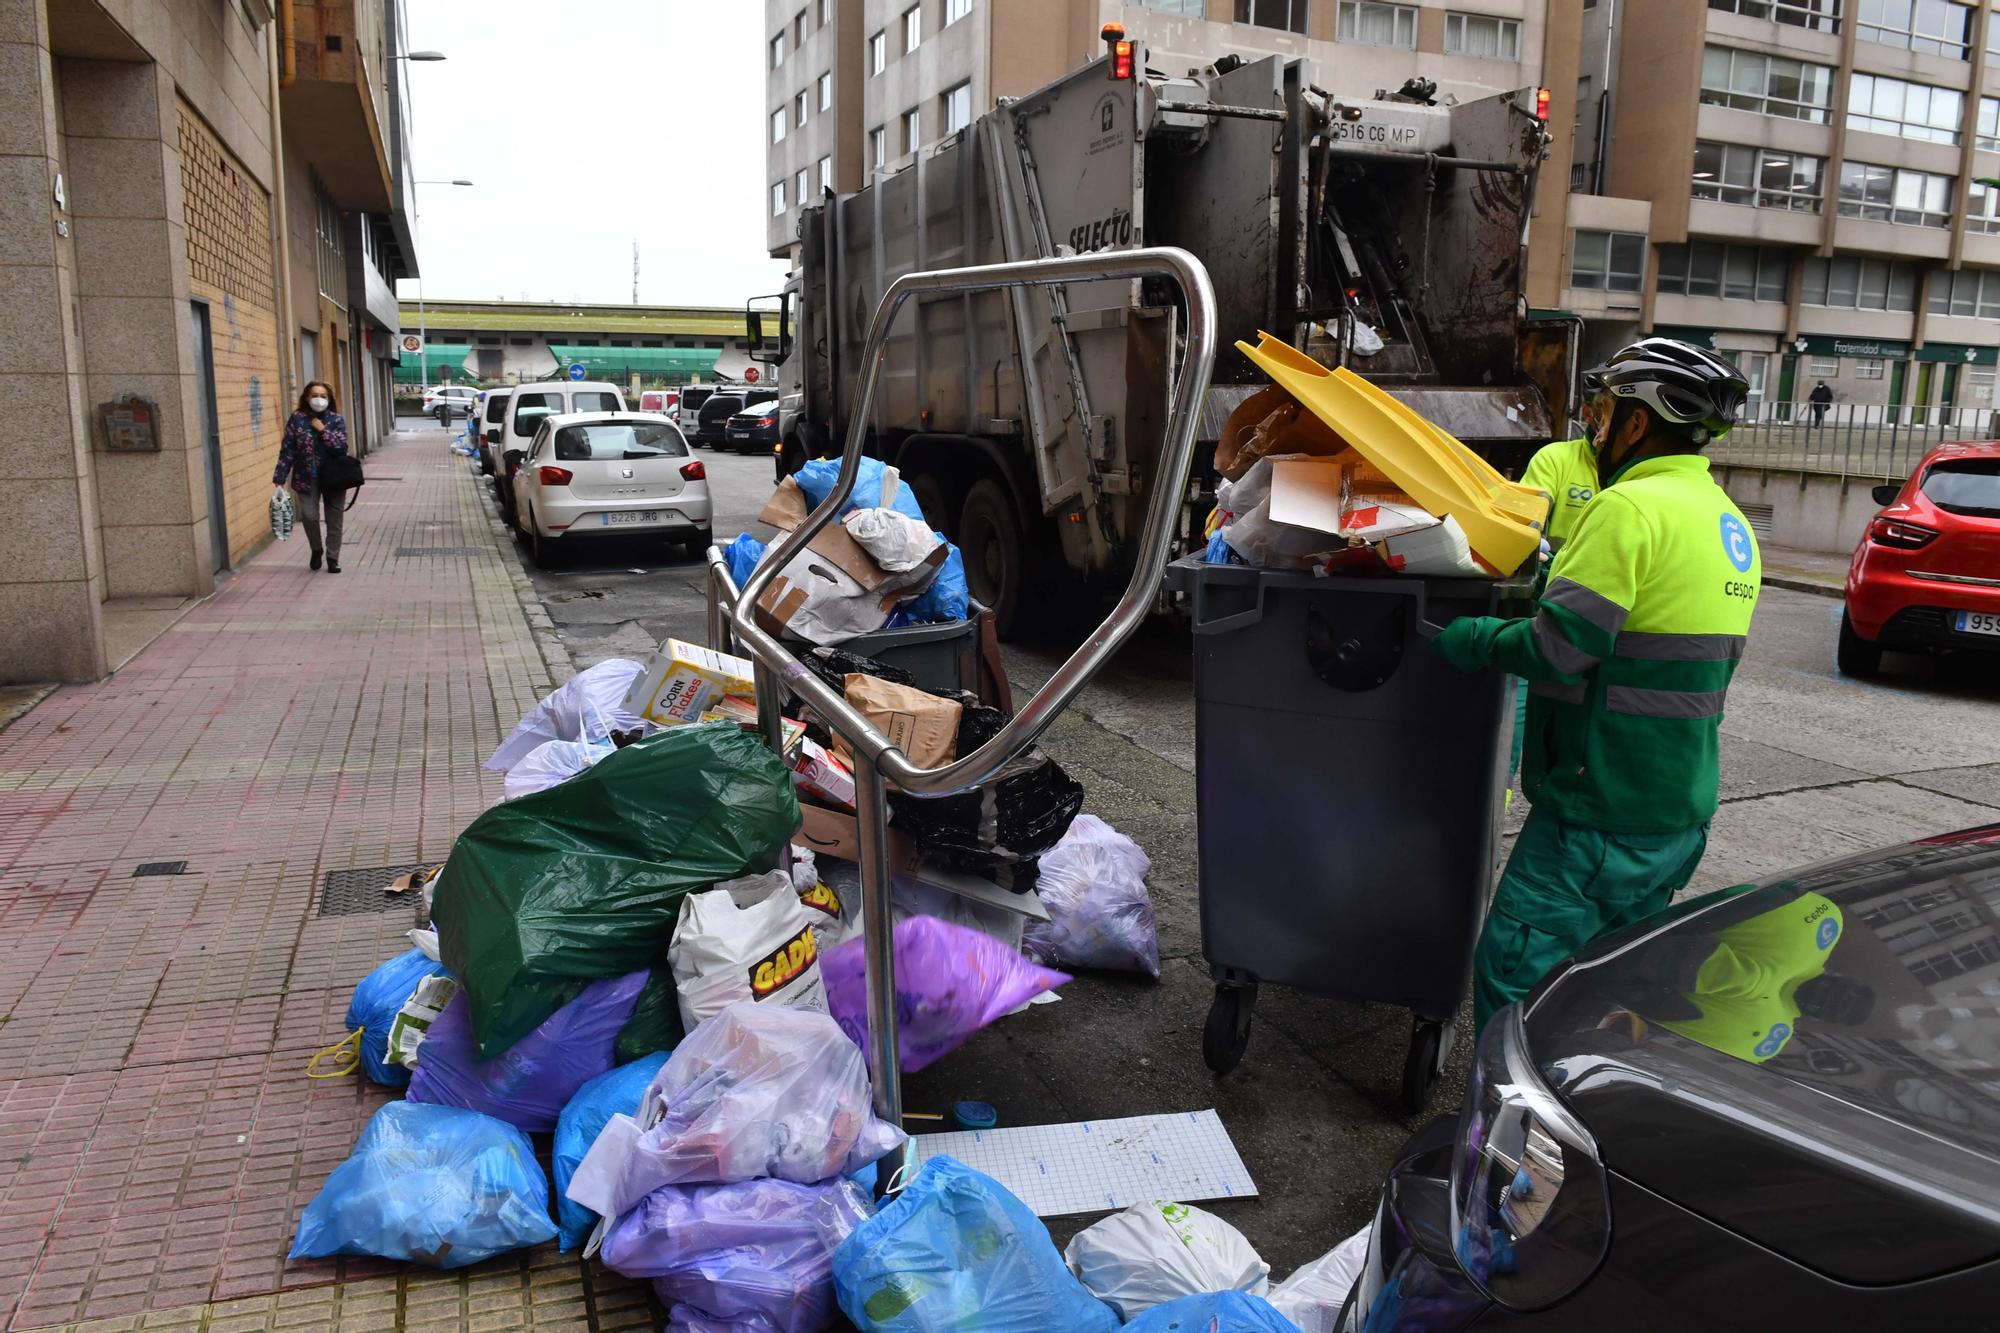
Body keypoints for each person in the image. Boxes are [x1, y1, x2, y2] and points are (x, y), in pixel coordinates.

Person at [1430, 337, 1760, 1032]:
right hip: (1678, 811)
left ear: (1638, 422)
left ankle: (1509, 1122)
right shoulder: (1732, 525)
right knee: (1611, 980)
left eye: (1607, 410)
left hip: (1598, 809)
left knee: (1512, 971)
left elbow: (1559, 649)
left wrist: (1471, 640)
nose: (1597, 426)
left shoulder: (1629, 509)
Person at [274, 381, 350, 573]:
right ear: (307, 398)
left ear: (329, 399)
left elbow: (341, 448)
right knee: (309, 516)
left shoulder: (336, 419)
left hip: (334, 477)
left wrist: (323, 430)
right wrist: (280, 474)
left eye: (323, 396)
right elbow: (288, 448)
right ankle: (316, 549)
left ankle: (333, 558)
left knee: (334, 520)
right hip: (305, 476)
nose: (319, 399)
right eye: (315, 395)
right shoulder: (297, 419)